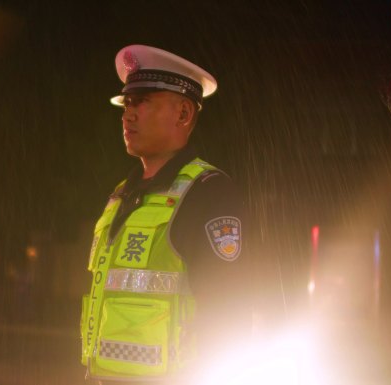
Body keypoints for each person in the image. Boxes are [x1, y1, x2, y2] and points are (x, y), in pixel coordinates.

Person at [81, 45, 251, 384]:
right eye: (127, 103)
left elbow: (230, 307)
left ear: (183, 114)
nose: (128, 115)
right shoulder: (120, 195)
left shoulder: (208, 191)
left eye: (142, 102)